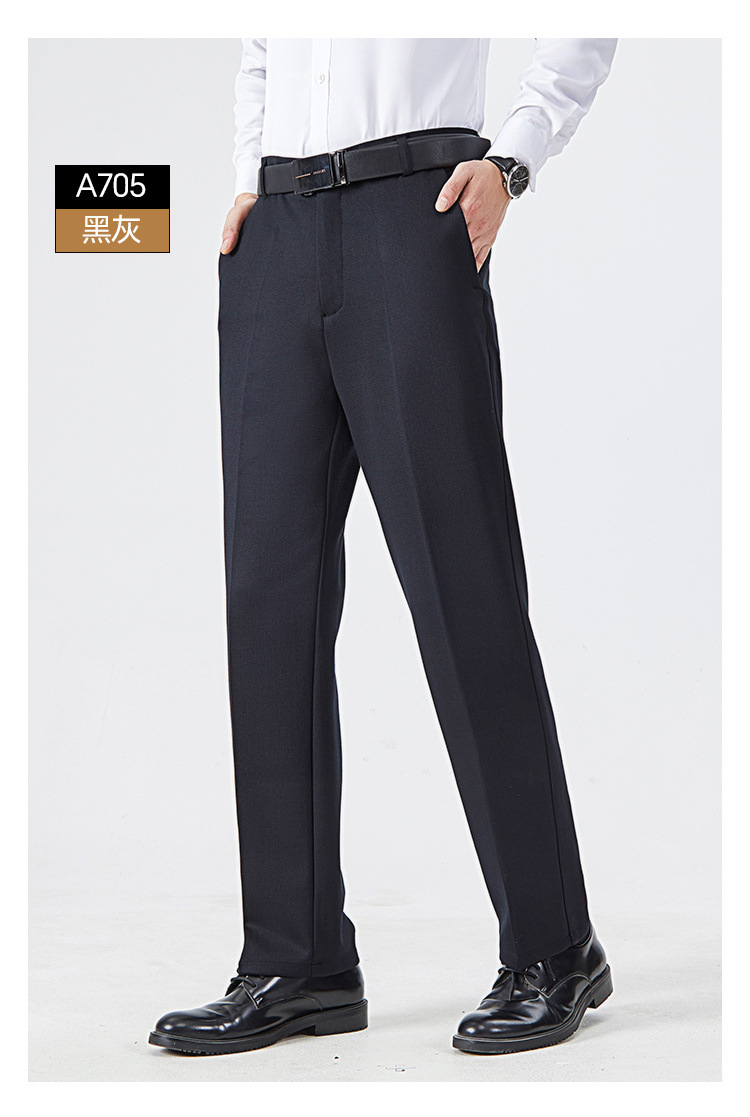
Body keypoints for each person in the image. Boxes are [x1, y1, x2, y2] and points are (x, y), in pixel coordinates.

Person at [149, 36, 617, 1058]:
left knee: (463, 585)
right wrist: (249, 178)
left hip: (415, 209)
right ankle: (298, 956)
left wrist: (516, 155)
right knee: (267, 600)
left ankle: (554, 945)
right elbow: (264, 46)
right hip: (276, 227)